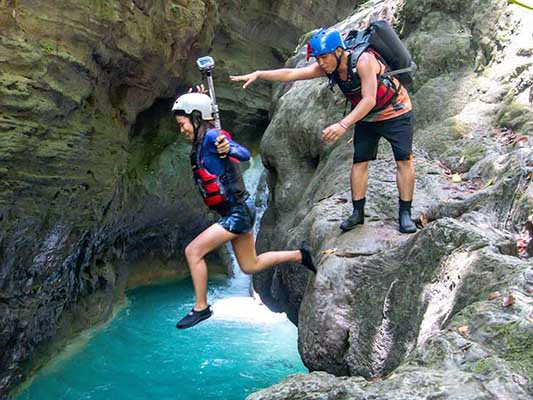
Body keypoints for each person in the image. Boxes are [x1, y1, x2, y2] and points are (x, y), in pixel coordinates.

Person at [230, 28, 418, 234]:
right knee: (360, 161)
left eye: (324, 57)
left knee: (403, 160)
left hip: (396, 111)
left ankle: (405, 214)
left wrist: (342, 124)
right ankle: (357, 213)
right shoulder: (330, 67)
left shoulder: (363, 62)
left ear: (339, 51)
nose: (321, 62)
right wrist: (259, 74)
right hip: (368, 117)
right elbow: (293, 74)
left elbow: (369, 99)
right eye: (318, 58)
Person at [171, 90, 316, 329]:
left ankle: (201, 307)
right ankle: (301, 255)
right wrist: (197, 97)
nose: (181, 129)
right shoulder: (201, 139)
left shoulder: (212, 138)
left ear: (196, 118)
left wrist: (228, 149)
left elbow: (244, 153)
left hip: (237, 211)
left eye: (182, 123)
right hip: (237, 209)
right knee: (250, 266)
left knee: (193, 251)